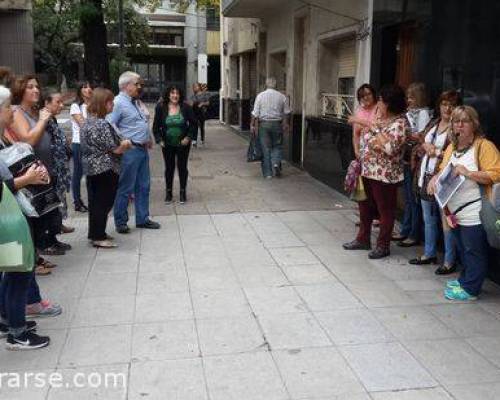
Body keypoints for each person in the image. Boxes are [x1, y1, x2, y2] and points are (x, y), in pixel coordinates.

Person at [428, 105, 500, 301]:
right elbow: (443, 171)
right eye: (456, 121)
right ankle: (466, 279)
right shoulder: (452, 147)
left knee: (473, 251)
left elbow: (496, 174)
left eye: (464, 121)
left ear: (474, 124)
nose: (459, 125)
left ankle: (471, 289)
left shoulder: (484, 146)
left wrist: (468, 173)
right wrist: (435, 179)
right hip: (454, 212)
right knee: (463, 249)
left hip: (474, 211)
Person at [0, 85, 53, 349]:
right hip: (6, 221)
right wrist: (27, 179)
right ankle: (17, 334)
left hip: (10, 216)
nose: (12, 111)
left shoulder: (3, 137)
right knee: (18, 272)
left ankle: (8, 320)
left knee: (11, 271)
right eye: (8, 106)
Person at [343, 84, 409, 259]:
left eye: (381, 100)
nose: (378, 103)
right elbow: (367, 138)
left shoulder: (400, 123)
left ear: (390, 103)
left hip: (385, 175)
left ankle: (383, 245)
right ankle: (363, 239)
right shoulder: (380, 119)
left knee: (385, 210)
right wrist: (376, 136)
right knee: (364, 206)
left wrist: (376, 132)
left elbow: (390, 148)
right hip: (366, 170)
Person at [9, 75, 71, 257]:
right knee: (37, 213)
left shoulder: (35, 111)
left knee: (49, 209)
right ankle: (39, 251)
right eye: (30, 87)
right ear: (20, 91)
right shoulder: (17, 112)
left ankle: (49, 241)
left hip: (47, 168)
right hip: (31, 173)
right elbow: (28, 140)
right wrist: (43, 120)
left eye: (36, 86)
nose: (36, 90)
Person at [409, 91, 461, 274]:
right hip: (425, 176)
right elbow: (422, 137)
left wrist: (437, 152)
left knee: (445, 220)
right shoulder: (435, 122)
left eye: (452, 105)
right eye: (444, 104)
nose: (447, 108)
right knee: (428, 218)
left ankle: (449, 260)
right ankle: (429, 253)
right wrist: (426, 145)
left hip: (443, 179)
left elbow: (457, 154)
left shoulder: (458, 128)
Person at [107, 71, 160, 234]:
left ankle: (142, 219)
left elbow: (141, 121)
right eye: (137, 84)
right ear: (127, 86)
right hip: (130, 151)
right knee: (126, 187)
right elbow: (109, 124)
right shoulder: (118, 102)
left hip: (142, 149)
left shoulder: (135, 102)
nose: (140, 87)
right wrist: (122, 141)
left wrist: (148, 137)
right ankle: (121, 221)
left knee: (144, 186)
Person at [81, 88, 132, 248]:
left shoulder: (88, 121)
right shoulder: (102, 123)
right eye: (110, 102)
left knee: (95, 202)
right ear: (103, 103)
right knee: (103, 203)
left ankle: (96, 232)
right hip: (105, 168)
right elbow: (115, 148)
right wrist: (126, 144)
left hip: (91, 168)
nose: (112, 105)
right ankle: (98, 236)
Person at [395, 82, 431, 246]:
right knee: (408, 198)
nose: (408, 100)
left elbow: (421, 137)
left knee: (413, 199)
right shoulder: (410, 113)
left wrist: (408, 134)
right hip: (407, 159)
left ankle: (413, 233)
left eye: (412, 97)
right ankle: (406, 230)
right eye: (407, 97)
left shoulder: (422, 114)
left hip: (415, 162)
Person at [153, 86, 197, 204]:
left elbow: (194, 124)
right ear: (168, 94)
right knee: (169, 168)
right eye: (172, 93)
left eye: (177, 93)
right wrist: (159, 139)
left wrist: (188, 137)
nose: (175, 95)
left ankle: (182, 192)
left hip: (183, 144)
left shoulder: (186, 107)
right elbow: (155, 127)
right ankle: (169, 193)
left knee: (182, 167)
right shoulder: (161, 108)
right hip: (167, 144)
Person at [348, 83, 380, 228]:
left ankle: (377, 216)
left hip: (376, 155)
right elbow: (355, 134)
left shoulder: (379, 108)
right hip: (362, 153)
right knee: (363, 188)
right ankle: (365, 217)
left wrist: (356, 120)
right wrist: (356, 150)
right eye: (362, 96)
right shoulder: (359, 110)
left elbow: (375, 126)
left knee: (375, 188)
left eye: (368, 94)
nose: (366, 98)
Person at [45, 92, 74, 234]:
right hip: (52, 167)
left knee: (60, 196)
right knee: (54, 198)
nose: (61, 105)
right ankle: (54, 227)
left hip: (60, 166)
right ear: (47, 103)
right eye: (58, 102)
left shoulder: (53, 120)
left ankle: (59, 224)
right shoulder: (43, 121)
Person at [250, 77, 291, 178]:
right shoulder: (282, 97)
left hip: (264, 125)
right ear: (276, 85)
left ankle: (268, 174)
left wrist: (252, 125)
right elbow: (286, 112)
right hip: (277, 124)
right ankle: (276, 163)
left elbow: (255, 113)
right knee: (277, 145)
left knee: (265, 149)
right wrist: (285, 124)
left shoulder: (260, 96)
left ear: (266, 84)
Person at [70, 81, 92, 212]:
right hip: (79, 143)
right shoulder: (75, 106)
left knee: (90, 172)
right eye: (84, 87)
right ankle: (77, 202)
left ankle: (92, 199)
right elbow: (83, 124)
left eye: (89, 87)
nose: (88, 89)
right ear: (79, 91)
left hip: (91, 143)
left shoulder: (93, 104)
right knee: (78, 173)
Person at [190, 83, 210, 147]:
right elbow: (191, 104)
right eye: (194, 87)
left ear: (199, 87)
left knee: (201, 127)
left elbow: (208, 103)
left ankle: (202, 140)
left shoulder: (204, 94)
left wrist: (202, 103)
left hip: (201, 112)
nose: (195, 88)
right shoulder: (193, 96)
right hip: (194, 113)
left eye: (196, 86)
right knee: (194, 127)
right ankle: (194, 141)